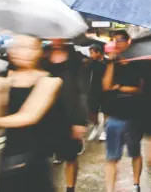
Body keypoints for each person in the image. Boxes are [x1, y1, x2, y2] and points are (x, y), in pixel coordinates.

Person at [0, 34, 62, 192]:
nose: (23, 52)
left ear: (39, 51)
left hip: (35, 157)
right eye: (18, 47)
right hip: (8, 156)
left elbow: (29, 116)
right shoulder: (5, 79)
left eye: (30, 47)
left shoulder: (50, 81)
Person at [102, 30, 144, 192]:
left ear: (128, 41)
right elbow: (106, 86)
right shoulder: (113, 64)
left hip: (134, 116)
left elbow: (141, 89)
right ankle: (110, 189)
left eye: (121, 40)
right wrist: (111, 63)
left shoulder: (138, 63)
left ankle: (136, 185)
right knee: (111, 156)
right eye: (115, 40)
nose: (118, 43)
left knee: (135, 152)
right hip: (114, 116)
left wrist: (121, 87)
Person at [44, 39, 87, 192]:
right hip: (46, 114)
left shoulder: (75, 57)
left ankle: (70, 188)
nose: (55, 39)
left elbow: (82, 89)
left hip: (69, 113)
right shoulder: (42, 55)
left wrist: (80, 121)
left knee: (70, 156)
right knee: (45, 156)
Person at [87, 44, 108, 141]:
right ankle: (96, 126)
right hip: (94, 90)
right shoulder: (91, 63)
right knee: (92, 111)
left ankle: (104, 130)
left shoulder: (108, 63)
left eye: (92, 53)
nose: (90, 55)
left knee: (106, 111)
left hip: (105, 90)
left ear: (99, 52)